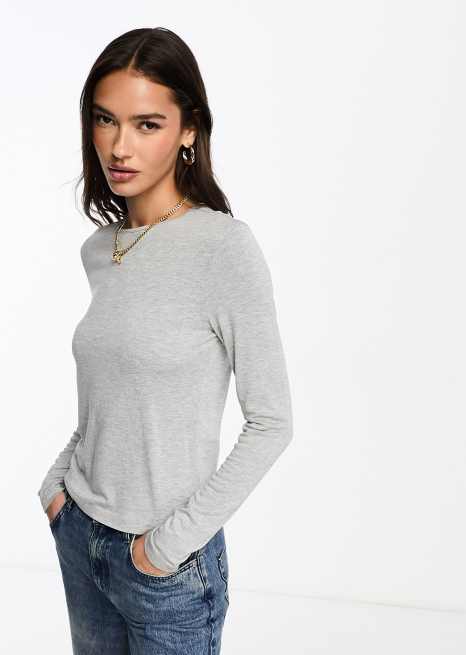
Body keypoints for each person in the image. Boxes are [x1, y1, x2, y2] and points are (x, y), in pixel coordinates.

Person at [37, 26, 293, 655]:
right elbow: (112, 396)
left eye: (147, 124)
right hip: (81, 535)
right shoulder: (102, 250)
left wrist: (167, 545)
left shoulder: (223, 247)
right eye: (105, 119)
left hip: (167, 568)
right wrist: (57, 489)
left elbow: (271, 421)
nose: (119, 146)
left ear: (189, 130)